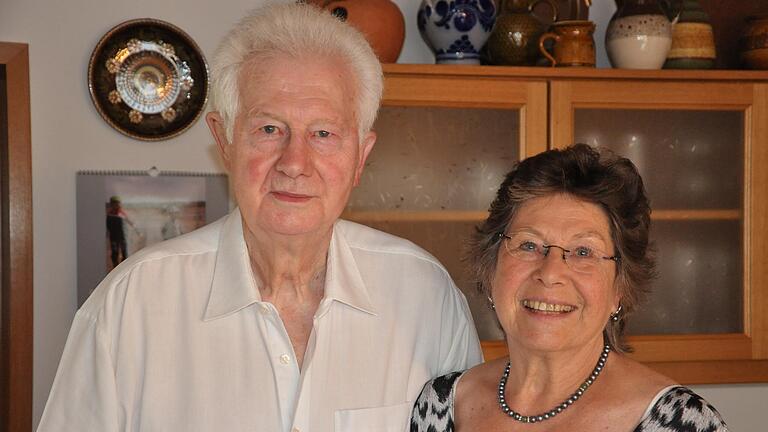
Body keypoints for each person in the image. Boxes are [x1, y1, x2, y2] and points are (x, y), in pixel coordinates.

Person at [38, 4, 482, 432]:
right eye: (269, 129)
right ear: (225, 141)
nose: (294, 162)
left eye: (323, 134)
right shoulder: (128, 306)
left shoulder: (427, 298)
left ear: (360, 157)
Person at [410, 144, 728, 432]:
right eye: (529, 245)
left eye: (583, 252)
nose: (550, 273)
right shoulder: (441, 405)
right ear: (491, 268)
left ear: (620, 286)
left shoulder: (681, 423)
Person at [105, 195, 139, 267]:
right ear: (112, 204)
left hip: (123, 237)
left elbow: (130, 222)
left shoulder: (122, 213)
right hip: (113, 238)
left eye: (118, 203)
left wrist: (137, 231)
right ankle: (115, 267)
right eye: (115, 203)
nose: (117, 205)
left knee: (124, 253)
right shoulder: (109, 215)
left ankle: (123, 268)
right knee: (115, 253)